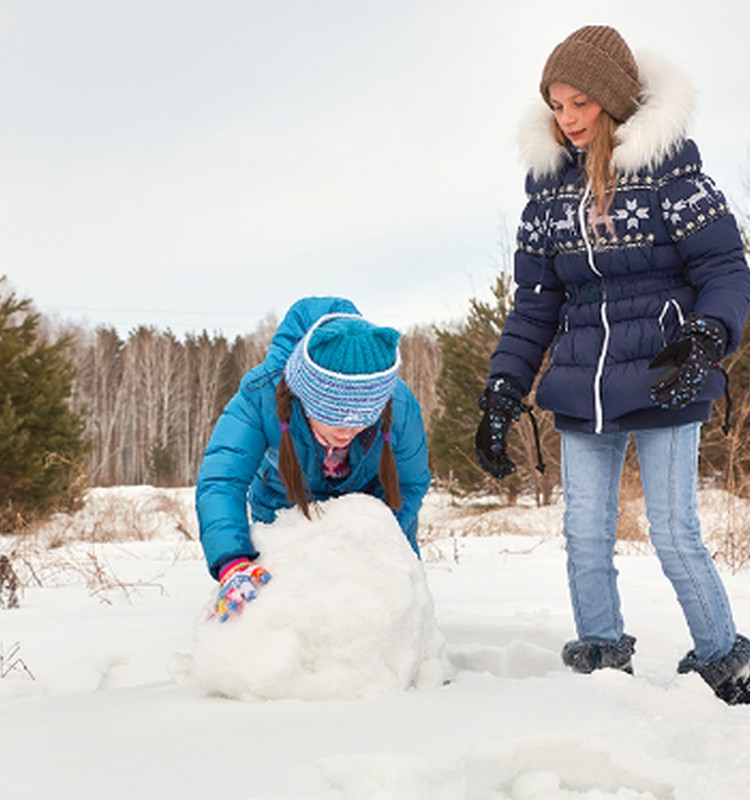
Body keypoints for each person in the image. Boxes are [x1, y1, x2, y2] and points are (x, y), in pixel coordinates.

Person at [475, 25, 750, 704]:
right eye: (556, 104)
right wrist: (503, 390)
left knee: (675, 530)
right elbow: (536, 302)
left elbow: (724, 269)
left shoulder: (672, 174)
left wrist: (708, 335)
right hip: (581, 380)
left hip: (667, 367)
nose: (566, 119)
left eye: (580, 103)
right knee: (584, 532)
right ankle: (601, 662)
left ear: (613, 99)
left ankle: (726, 660)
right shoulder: (546, 195)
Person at [196, 296, 431, 622]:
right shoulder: (261, 393)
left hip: (367, 510)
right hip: (283, 507)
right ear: (305, 398)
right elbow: (222, 480)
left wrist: (376, 540)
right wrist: (232, 560)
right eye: (334, 417)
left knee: (376, 612)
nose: (347, 431)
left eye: (363, 418)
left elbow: (410, 483)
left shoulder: (400, 404)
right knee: (284, 613)